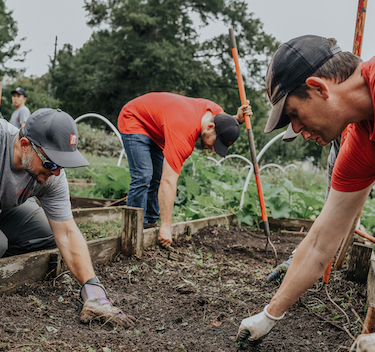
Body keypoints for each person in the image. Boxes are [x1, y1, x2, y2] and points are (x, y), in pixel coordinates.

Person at [236, 34, 375, 345]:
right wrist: (269, 314)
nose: (296, 130)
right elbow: (319, 244)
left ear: (319, 87)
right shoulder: (360, 145)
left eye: (294, 115)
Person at [0, 108, 136, 327]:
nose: (56, 173)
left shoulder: (53, 175)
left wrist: (94, 291)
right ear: (25, 145)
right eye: (52, 163)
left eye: (62, 165)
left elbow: (67, 232)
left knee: (45, 235)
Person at [118, 92, 252, 248]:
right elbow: (168, 182)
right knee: (143, 176)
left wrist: (236, 119)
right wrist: (167, 226)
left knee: (156, 177)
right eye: (216, 143)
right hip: (135, 118)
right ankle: (133, 231)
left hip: (158, 127)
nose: (214, 149)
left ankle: (149, 224)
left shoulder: (216, 113)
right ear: (209, 127)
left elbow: (224, 122)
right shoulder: (183, 135)